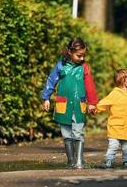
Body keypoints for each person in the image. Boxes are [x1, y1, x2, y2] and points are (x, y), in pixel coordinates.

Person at [42, 38, 98, 169]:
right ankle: (71, 161)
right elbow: (51, 81)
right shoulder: (60, 65)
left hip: (79, 105)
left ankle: (79, 161)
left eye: (84, 55)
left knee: (78, 133)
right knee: (66, 134)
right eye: (79, 55)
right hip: (64, 105)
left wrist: (92, 103)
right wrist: (46, 98)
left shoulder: (84, 67)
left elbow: (90, 86)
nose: (82, 58)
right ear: (70, 52)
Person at [96, 69, 127, 169]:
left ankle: (126, 163)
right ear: (126, 83)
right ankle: (108, 162)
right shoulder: (114, 94)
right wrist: (95, 108)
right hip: (115, 127)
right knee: (113, 146)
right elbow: (104, 103)